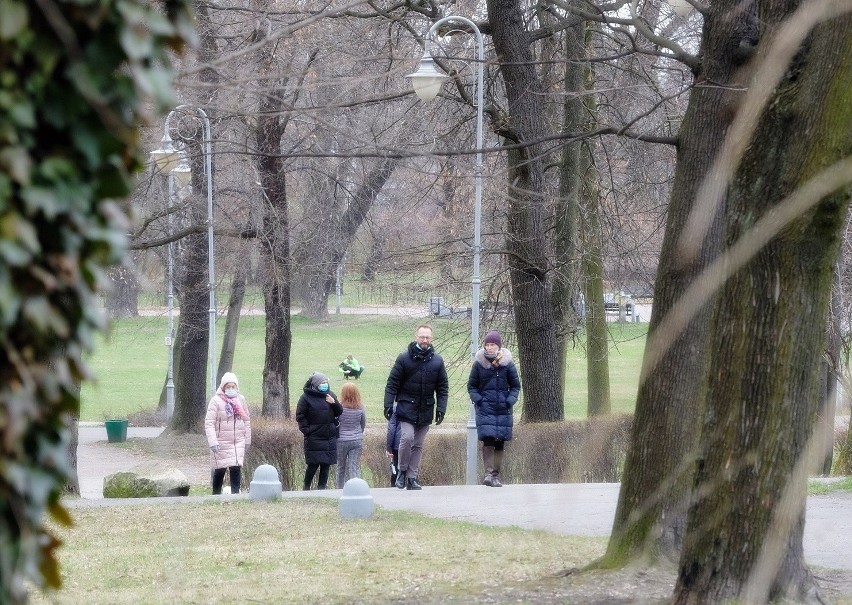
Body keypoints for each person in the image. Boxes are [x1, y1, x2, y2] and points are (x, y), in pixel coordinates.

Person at [383, 324, 449, 490]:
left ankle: (412, 478)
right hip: (406, 407)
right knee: (407, 438)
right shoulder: (404, 358)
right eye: (422, 337)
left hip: (425, 409)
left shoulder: (437, 361)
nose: (425, 340)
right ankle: (402, 471)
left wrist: (441, 408)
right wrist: (388, 403)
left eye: (427, 337)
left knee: (418, 444)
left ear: (431, 339)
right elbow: (392, 384)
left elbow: (442, 388)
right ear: (416, 337)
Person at [468, 330, 521, 487]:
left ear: (498, 346)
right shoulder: (479, 364)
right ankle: (488, 474)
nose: (490, 348)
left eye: (493, 344)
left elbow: (515, 386)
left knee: (500, 442)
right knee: (488, 439)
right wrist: (479, 400)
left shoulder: (508, 364)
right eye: (487, 344)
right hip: (486, 409)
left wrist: (509, 401)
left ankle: (496, 475)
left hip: (503, 409)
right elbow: (472, 386)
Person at [205, 371, 252, 495]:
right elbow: (209, 423)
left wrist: (247, 439)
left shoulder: (241, 400)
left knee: (236, 468)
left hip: (238, 441)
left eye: (233, 386)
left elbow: (246, 420)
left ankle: (235, 495)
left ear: (237, 387)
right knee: (220, 469)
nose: (231, 389)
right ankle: (215, 494)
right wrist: (213, 442)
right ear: (223, 387)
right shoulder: (215, 401)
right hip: (221, 442)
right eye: (228, 386)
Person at [296, 372, 343, 490]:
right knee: (313, 464)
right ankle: (306, 487)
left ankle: (322, 487)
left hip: (329, 436)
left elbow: (339, 412)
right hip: (314, 437)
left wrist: (334, 403)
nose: (325, 385)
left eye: (326, 382)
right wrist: (307, 430)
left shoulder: (330, 395)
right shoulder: (305, 398)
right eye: (322, 383)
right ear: (316, 384)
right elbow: (300, 415)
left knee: (326, 464)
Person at [335, 382, 366, 488]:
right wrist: (358, 433)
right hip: (356, 439)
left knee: (341, 467)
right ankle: (355, 489)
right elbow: (363, 424)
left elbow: (336, 423)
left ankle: (339, 489)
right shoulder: (360, 407)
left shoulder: (339, 407)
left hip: (341, 440)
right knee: (353, 467)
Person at [385, 403, 402, 487]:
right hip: (412, 444)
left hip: (397, 444)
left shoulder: (395, 409)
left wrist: (389, 447)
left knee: (395, 468)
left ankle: (395, 486)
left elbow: (391, 429)